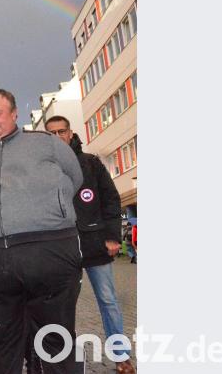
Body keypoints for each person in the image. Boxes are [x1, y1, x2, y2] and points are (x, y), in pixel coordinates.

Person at [0, 89, 84, 374]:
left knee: (55, 340)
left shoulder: (47, 144)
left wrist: (50, 210)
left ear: (15, 114)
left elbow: (74, 177)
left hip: (48, 253)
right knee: (0, 344)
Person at [44, 115, 135, 374]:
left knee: (108, 301)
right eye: (51, 133)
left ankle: (121, 357)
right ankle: (65, 360)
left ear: (70, 134)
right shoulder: (43, 168)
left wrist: (113, 237)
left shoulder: (91, 164)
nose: (57, 136)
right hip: (62, 249)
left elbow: (110, 199)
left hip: (96, 245)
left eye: (62, 131)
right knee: (62, 306)